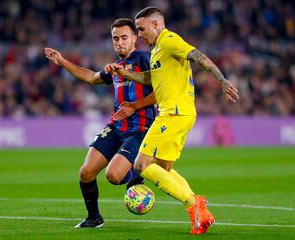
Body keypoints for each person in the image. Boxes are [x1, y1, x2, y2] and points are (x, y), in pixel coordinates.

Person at [105, 7, 239, 235]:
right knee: (161, 168)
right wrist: (127, 74)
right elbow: (152, 78)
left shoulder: (168, 40)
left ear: (156, 25)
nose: (140, 34)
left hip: (173, 114)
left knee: (141, 165)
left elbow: (198, 56)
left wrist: (222, 80)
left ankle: (192, 203)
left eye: (141, 29)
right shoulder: (158, 49)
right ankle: (200, 209)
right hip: (179, 114)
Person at [45, 18, 156, 228]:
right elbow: (91, 77)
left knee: (114, 176)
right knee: (85, 173)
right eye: (116, 38)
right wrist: (62, 61)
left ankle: (135, 175)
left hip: (140, 129)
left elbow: (162, 90)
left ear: (135, 38)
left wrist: (134, 106)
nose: (120, 42)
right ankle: (94, 218)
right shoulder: (115, 67)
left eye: (124, 37)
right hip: (116, 127)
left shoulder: (145, 59)